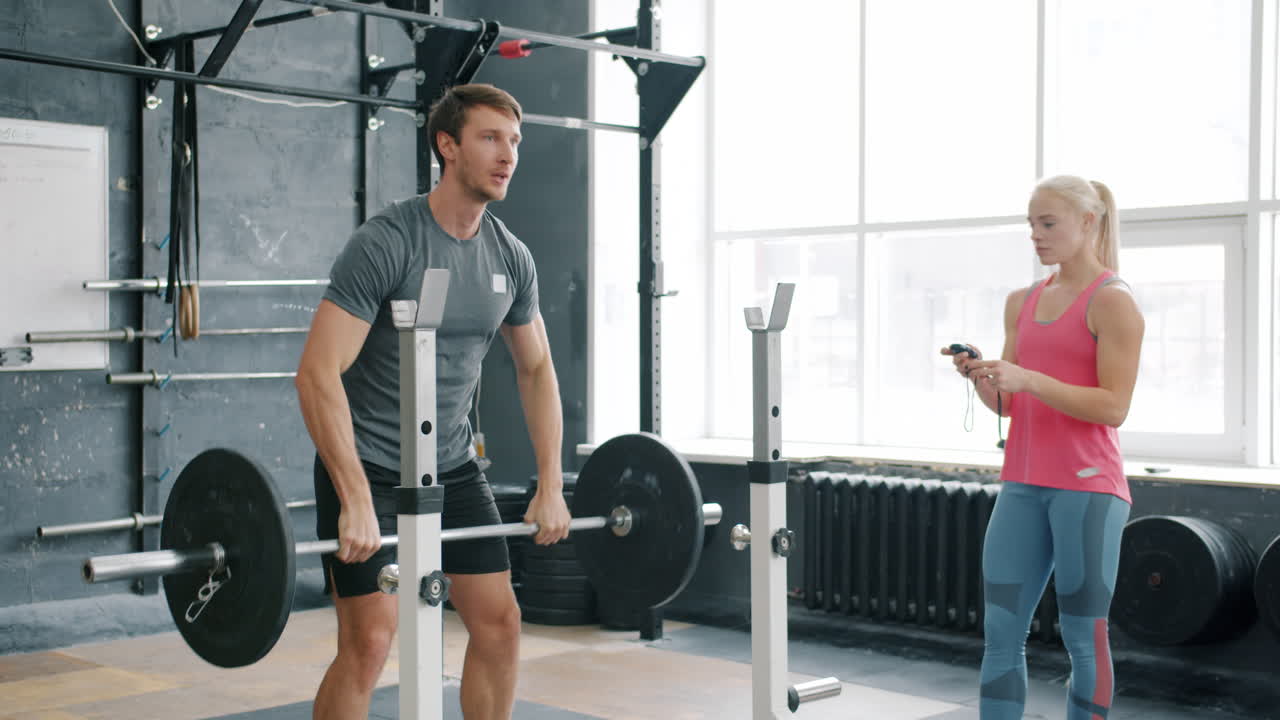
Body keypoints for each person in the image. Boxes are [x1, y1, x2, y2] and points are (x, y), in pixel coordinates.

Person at [295, 83, 571, 720]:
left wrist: (551, 484)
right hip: (368, 466)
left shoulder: (510, 256)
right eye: (490, 138)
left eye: (514, 141)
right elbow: (316, 374)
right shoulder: (387, 241)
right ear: (447, 145)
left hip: (450, 465)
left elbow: (536, 369)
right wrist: (355, 497)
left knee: (500, 624)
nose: (508, 155)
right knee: (369, 642)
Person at [942, 175, 1144, 719]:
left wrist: (1029, 378)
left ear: (1088, 221)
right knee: (1001, 633)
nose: (1036, 234)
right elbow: (1010, 404)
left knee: (1083, 638)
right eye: (1031, 223)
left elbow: (1114, 407)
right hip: (1023, 485)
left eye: (1048, 223)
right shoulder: (1022, 302)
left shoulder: (1113, 301)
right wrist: (982, 376)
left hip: (1088, 489)